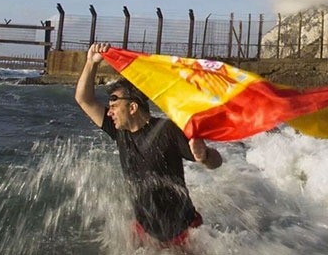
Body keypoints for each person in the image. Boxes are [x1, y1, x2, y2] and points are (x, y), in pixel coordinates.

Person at [74, 42, 222, 247]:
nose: (109, 112)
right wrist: (91, 62)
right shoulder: (119, 132)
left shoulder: (167, 130)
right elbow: (84, 100)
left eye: (114, 105)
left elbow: (217, 162)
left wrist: (204, 156)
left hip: (183, 233)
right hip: (144, 230)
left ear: (132, 107)